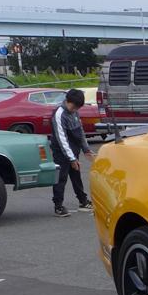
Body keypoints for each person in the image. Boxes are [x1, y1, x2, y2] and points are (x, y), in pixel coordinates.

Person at [50, 88, 93, 217]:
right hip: (61, 151)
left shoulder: (75, 113)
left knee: (76, 176)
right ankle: (58, 206)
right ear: (67, 101)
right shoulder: (59, 114)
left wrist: (85, 149)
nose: (75, 110)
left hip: (73, 150)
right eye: (74, 107)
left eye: (77, 108)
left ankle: (83, 201)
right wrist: (71, 158)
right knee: (61, 178)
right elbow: (62, 139)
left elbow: (80, 131)